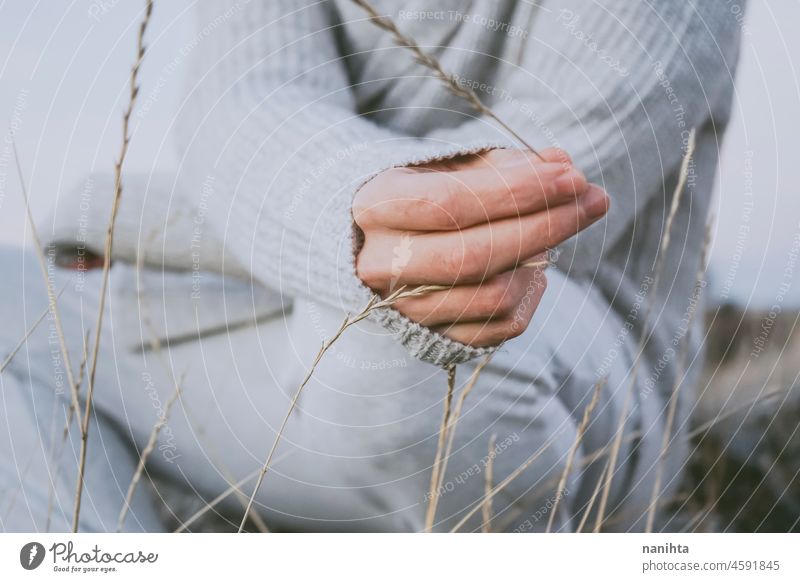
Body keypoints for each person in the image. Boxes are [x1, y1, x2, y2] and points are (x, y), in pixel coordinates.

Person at [1, 0, 744, 532]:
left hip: (575, 375)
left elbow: (509, 228)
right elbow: (245, 105)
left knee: (424, 350)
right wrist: (354, 228)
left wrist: (131, 216)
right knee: (12, 304)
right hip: (301, 342)